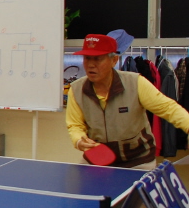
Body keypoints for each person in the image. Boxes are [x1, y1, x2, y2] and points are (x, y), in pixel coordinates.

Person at [67, 33, 189, 169]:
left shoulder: (136, 83)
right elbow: (75, 125)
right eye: (87, 58)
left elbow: (169, 108)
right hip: (97, 161)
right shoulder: (76, 89)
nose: (90, 65)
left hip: (138, 161)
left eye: (97, 59)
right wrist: (79, 140)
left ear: (114, 60)